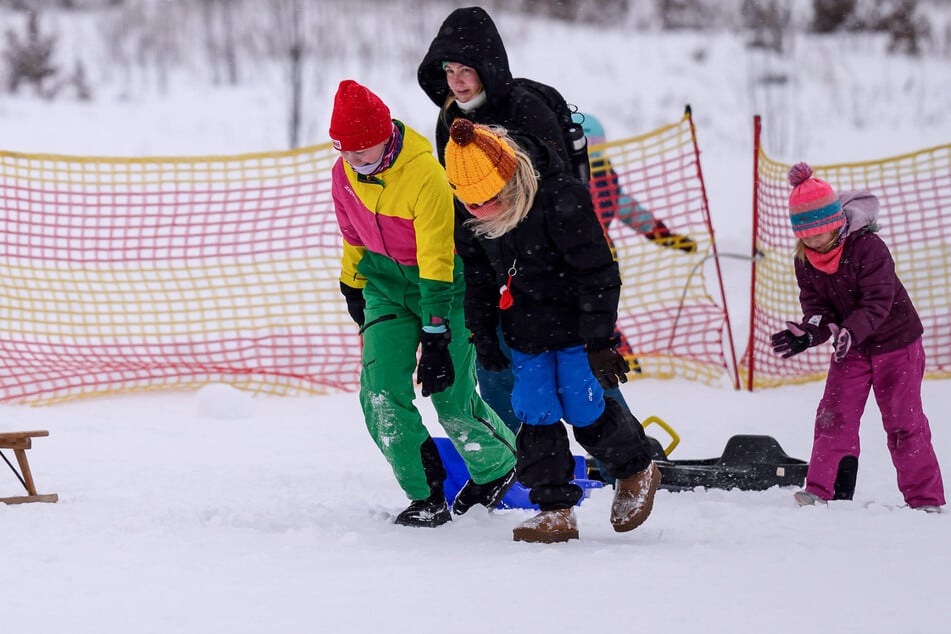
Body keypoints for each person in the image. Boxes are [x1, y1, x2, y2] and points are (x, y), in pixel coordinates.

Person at [417, 5, 635, 440]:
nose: (457, 81)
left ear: (488, 68)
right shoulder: (449, 121)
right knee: (495, 363)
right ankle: (525, 459)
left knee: (581, 365)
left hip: (553, 262)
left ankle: (629, 456)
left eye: (466, 69)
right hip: (497, 266)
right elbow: (464, 203)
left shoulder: (526, 107)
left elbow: (560, 194)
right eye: (449, 70)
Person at [444, 117, 661, 543]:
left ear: (510, 178)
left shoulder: (562, 198)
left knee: (583, 408)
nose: (481, 213)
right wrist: (484, 335)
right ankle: (555, 509)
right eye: (471, 205)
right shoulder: (470, 210)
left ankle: (636, 468)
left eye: (490, 201)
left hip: (575, 328)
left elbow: (599, 273)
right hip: (524, 328)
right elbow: (479, 278)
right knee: (534, 411)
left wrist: (600, 342)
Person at [328, 79, 517, 527]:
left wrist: (436, 333)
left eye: (362, 151)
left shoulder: (424, 174)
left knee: (450, 398)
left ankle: (498, 466)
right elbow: (353, 234)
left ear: (385, 136)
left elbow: (435, 258)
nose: (354, 161)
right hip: (383, 288)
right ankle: (426, 495)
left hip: (442, 288)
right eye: (345, 152)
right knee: (379, 396)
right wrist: (350, 284)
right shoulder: (344, 173)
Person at [770, 162, 944, 513]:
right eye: (806, 233)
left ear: (836, 221)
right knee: (833, 415)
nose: (814, 239)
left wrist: (851, 331)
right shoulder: (805, 260)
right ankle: (823, 490)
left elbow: (878, 301)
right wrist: (809, 333)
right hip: (851, 347)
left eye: (820, 230)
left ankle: (925, 499)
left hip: (897, 344)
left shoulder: (869, 248)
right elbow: (818, 309)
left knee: (903, 422)